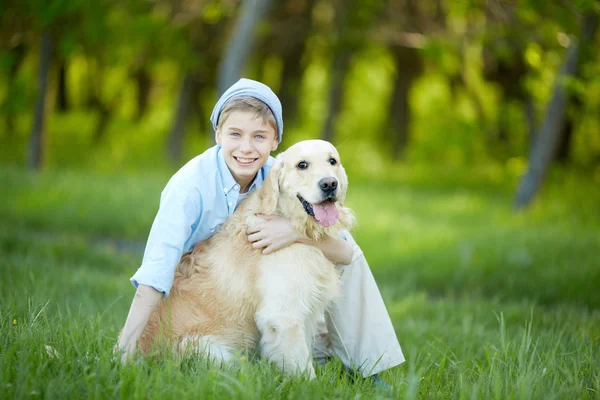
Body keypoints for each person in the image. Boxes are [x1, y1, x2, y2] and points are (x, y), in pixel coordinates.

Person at [116, 78, 405, 386]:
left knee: (342, 251)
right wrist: (124, 352)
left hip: (246, 289)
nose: (246, 147)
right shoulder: (189, 188)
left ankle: (364, 367)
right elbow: (155, 272)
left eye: (259, 136)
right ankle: (309, 375)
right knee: (281, 314)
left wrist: (295, 232)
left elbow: (345, 251)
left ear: (274, 140)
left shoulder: (276, 171)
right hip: (197, 307)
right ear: (218, 135)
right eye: (235, 134)